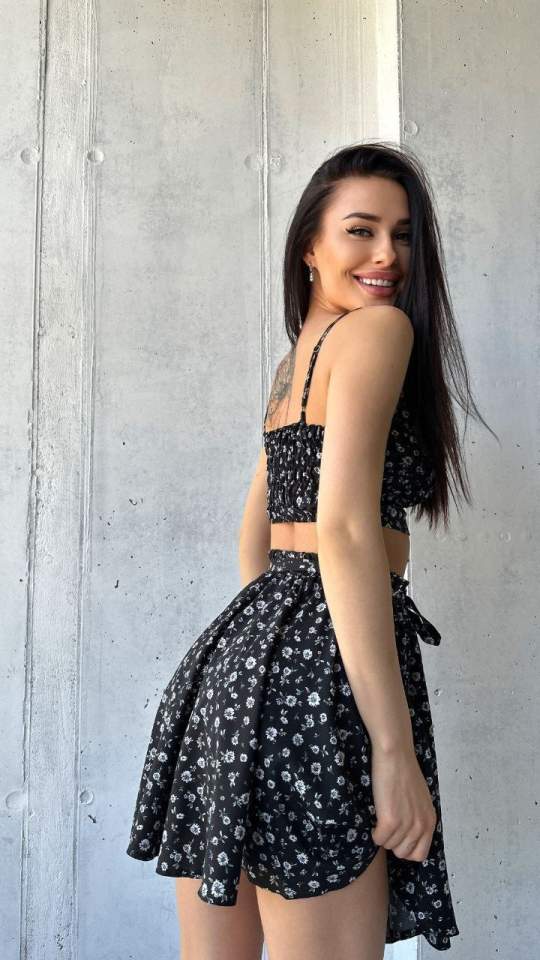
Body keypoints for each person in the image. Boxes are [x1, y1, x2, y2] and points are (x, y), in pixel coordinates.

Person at [126, 141, 495, 959]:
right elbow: (346, 527)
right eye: (361, 231)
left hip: (231, 677)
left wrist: (271, 650)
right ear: (309, 247)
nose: (386, 255)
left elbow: (255, 535)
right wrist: (392, 751)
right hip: (321, 683)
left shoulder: (296, 362)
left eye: (403, 235)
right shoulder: (379, 332)